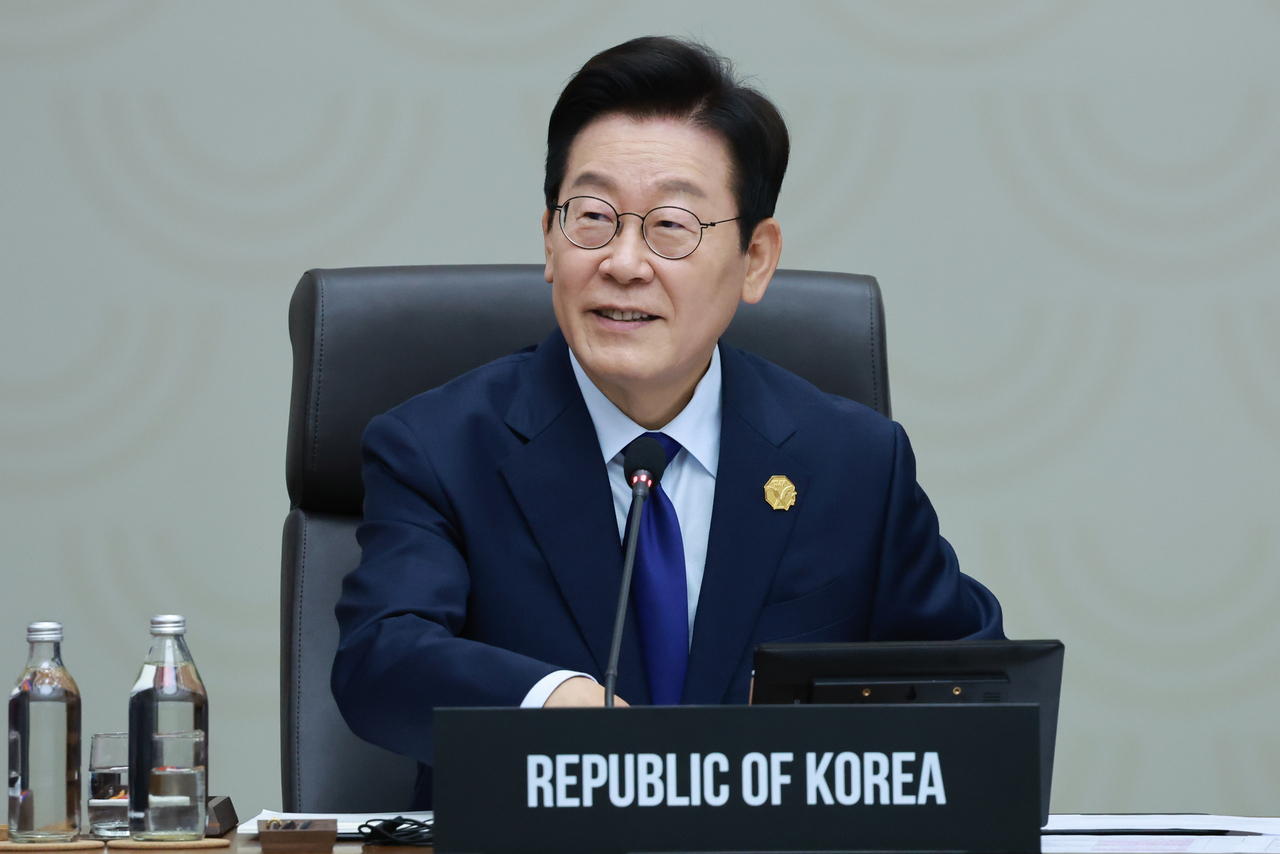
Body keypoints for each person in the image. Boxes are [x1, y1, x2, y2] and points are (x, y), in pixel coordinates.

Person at [332, 35, 1003, 808]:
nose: (623, 261)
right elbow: (380, 661)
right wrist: (549, 702)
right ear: (549, 240)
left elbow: (973, 688)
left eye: (671, 226)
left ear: (756, 259)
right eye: (591, 217)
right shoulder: (439, 448)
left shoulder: (851, 461)